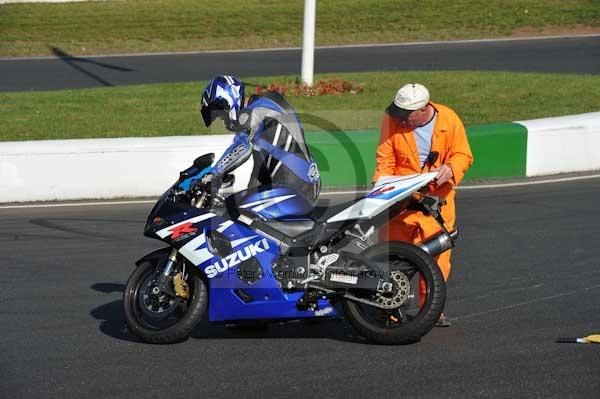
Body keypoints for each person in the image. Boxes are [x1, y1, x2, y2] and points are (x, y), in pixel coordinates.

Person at [372, 83, 474, 327]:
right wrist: (380, 189)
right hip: (401, 202)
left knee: (437, 261)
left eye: (405, 114)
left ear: (422, 109)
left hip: (437, 203)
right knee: (391, 256)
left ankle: (431, 310)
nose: (399, 119)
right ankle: (389, 309)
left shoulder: (449, 119)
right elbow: (384, 159)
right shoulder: (392, 120)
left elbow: (463, 154)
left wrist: (450, 169)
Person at [199, 75, 321, 217]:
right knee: (237, 208)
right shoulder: (264, 110)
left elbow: (242, 146)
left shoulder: (255, 111)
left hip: (292, 185)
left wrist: (214, 173)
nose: (221, 120)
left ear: (228, 102)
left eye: (220, 114)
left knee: (235, 219)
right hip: (303, 183)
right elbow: (259, 174)